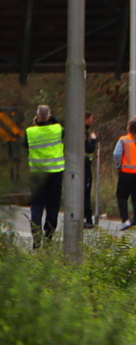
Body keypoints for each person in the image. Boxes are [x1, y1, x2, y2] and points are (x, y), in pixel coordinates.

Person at [25, 105, 63, 247]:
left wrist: (37, 121)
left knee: (36, 206)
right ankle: (48, 239)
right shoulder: (57, 129)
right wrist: (50, 118)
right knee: (52, 207)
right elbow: (59, 123)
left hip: (37, 175)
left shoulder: (30, 132)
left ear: (36, 116)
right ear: (49, 116)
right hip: (55, 174)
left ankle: (36, 239)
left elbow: (24, 146)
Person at [114, 119, 136, 231]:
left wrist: (118, 166)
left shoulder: (124, 140)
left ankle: (125, 220)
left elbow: (117, 154)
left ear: (129, 128)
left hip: (126, 172)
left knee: (121, 196)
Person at [84, 111, 97, 228]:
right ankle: (88, 219)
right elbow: (89, 148)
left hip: (84, 166)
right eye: (90, 118)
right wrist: (93, 140)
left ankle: (86, 218)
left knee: (84, 193)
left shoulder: (82, 132)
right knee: (85, 193)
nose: (92, 121)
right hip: (84, 167)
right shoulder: (83, 133)